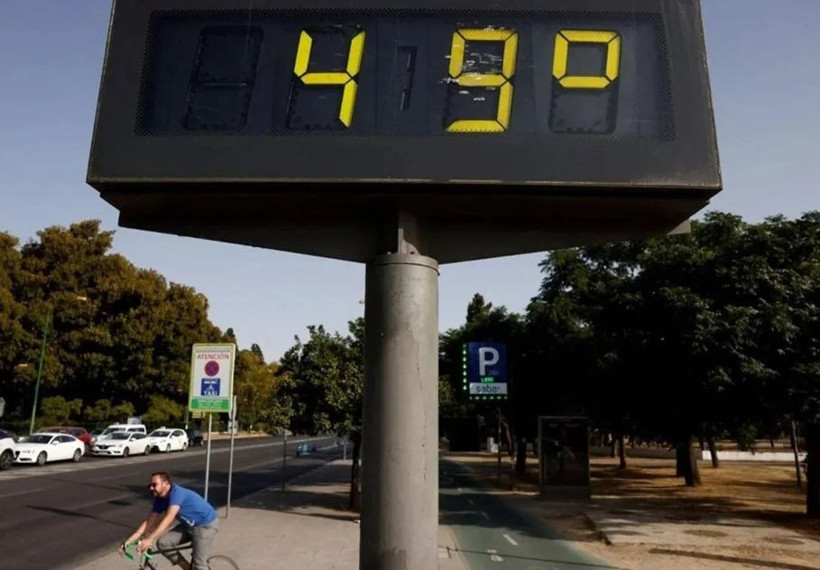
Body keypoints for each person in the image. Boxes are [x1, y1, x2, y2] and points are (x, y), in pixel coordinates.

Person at [120, 472, 219, 570]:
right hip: (188, 526)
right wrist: (128, 541)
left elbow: (169, 517)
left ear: (165, 483)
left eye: (154, 485)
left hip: (205, 525)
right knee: (163, 543)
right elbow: (149, 522)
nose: (151, 488)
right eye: (150, 485)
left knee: (199, 565)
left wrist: (150, 539)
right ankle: (187, 568)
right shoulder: (160, 498)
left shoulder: (177, 493)